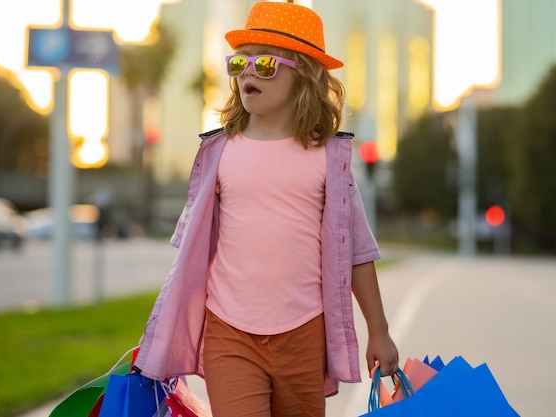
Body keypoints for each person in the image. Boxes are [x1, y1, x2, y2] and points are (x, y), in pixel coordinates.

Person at [133, 2, 399, 416]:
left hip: (305, 333)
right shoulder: (219, 152)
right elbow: (192, 246)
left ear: (305, 76)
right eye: (239, 62)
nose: (248, 72)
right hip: (229, 332)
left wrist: (378, 332)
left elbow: (357, 253)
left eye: (266, 64)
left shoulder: (328, 158)